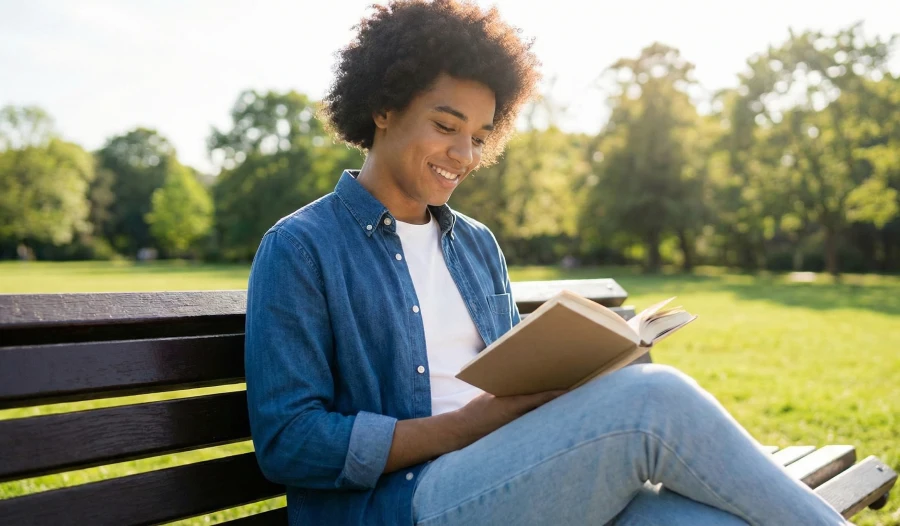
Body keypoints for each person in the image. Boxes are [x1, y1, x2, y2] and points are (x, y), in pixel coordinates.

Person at [244, 1, 850, 524]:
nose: (464, 154)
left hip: (516, 478)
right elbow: (287, 442)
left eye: (480, 136)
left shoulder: (475, 244)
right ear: (382, 108)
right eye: (446, 125)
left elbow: (517, 382)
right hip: (403, 507)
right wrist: (465, 428)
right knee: (654, 399)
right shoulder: (301, 248)